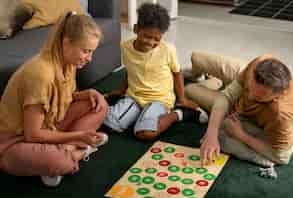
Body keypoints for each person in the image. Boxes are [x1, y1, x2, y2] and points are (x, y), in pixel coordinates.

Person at [0, 11, 109, 187]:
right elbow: (32, 134)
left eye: (91, 52)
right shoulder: (40, 74)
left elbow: (60, 98)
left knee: (99, 105)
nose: (89, 58)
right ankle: (76, 152)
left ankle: (68, 150)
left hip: (49, 125)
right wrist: (79, 135)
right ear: (66, 42)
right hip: (15, 142)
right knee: (59, 161)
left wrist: (86, 93)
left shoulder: (69, 61)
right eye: (86, 51)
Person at [103, 3, 208, 141]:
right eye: (147, 36)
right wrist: (121, 90)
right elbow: (131, 70)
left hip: (160, 99)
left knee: (145, 133)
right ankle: (136, 113)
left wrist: (182, 99)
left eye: (156, 39)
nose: (151, 42)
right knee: (109, 124)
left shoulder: (168, 49)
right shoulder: (125, 47)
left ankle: (179, 114)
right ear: (136, 29)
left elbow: (177, 73)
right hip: (134, 96)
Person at [185, 52, 293, 167]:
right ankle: (213, 80)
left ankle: (215, 82)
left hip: (237, 110)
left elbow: (283, 157)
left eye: (259, 98)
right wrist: (211, 134)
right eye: (249, 89)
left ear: (278, 96)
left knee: (189, 89)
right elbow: (228, 95)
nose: (249, 97)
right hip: (241, 77)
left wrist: (241, 135)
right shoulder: (260, 63)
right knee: (196, 58)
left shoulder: (280, 115)